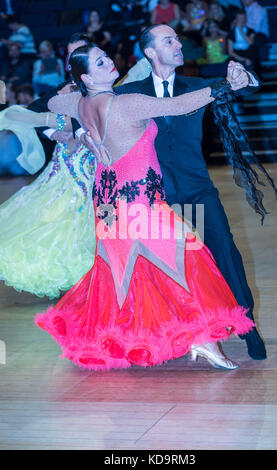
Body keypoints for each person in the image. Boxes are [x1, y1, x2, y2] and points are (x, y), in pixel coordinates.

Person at [33, 44, 255, 372]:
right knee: (186, 259)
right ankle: (203, 341)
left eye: (107, 57)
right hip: (139, 202)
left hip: (105, 203)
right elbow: (179, 104)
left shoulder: (77, 103)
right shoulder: (127, 103)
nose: (110, 62)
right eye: (100, 62)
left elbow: (49, 102)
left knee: (121, 271)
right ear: (86, 76)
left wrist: (77, 128)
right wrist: (224, 85)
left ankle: (128, 337)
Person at [113, 24, 266, 361]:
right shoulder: (132, 94)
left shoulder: (197, 86)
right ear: (150, 52)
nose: (178, 44)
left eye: (178, 39)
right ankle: (176, 332)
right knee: (165, 266)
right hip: (158, 199)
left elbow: (246, 89)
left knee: (225, 250)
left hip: (198, 191)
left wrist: (245, 77)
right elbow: (98, 115)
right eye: (169, 41)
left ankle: (247, 324)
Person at [0, 33, 96, 297]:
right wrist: (55, 133)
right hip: (65, 167)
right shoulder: (62, 90)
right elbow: (33, 115)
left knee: (97, 218)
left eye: (81, 53)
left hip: (95, 165)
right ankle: (74, 278)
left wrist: (76, 131)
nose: (73, 60)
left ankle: (99, 277)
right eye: (70, 54)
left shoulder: (105, 88)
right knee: (58, 218)